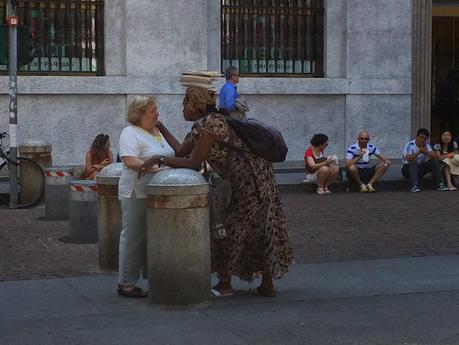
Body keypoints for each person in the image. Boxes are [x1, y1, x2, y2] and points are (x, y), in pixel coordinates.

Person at [140, 87, 293, 298]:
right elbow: (180, 151)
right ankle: (266, 285)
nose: (182, 109)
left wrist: (159, 159)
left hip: (249, 183)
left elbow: (192, 162)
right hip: (259, 178)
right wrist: (160, 127)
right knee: (262, 227)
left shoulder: (209, 124)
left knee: (230, 228)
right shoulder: (211, 122)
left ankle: (225, 284)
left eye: (185, 103)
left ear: (196, 105)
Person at [117, 96, 175, 298]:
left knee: (154, 238)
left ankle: (154, 278)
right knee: (133, 237)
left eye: (156, 109)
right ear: (139, 114)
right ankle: (126, 282)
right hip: (137, 192)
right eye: (152, 111)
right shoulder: (130, 133)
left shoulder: (159, 132)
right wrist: (157, 170)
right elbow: (130, 160)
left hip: (159, 193)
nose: (157, 114)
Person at [401, 128, 448, 193]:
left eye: (425, 138)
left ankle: (440, 184)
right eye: (421, 137)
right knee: (413, 162)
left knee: (433, 161)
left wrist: (426, 152)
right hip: (406, 169)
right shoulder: (410, 145)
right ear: (417, 137)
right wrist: (419, 151)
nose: (422, 140)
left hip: (419, 169)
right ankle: (414, 186)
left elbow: (435, 156)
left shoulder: (427, 146)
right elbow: (409, 159)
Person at [438, 71, 458, 136]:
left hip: (444, 104)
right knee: (451, 121)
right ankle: (453, 134)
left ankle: (442, 133)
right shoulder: (451, 84)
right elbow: (452, 94)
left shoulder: (443, 83)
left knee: (444, 121)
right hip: (449, 104)